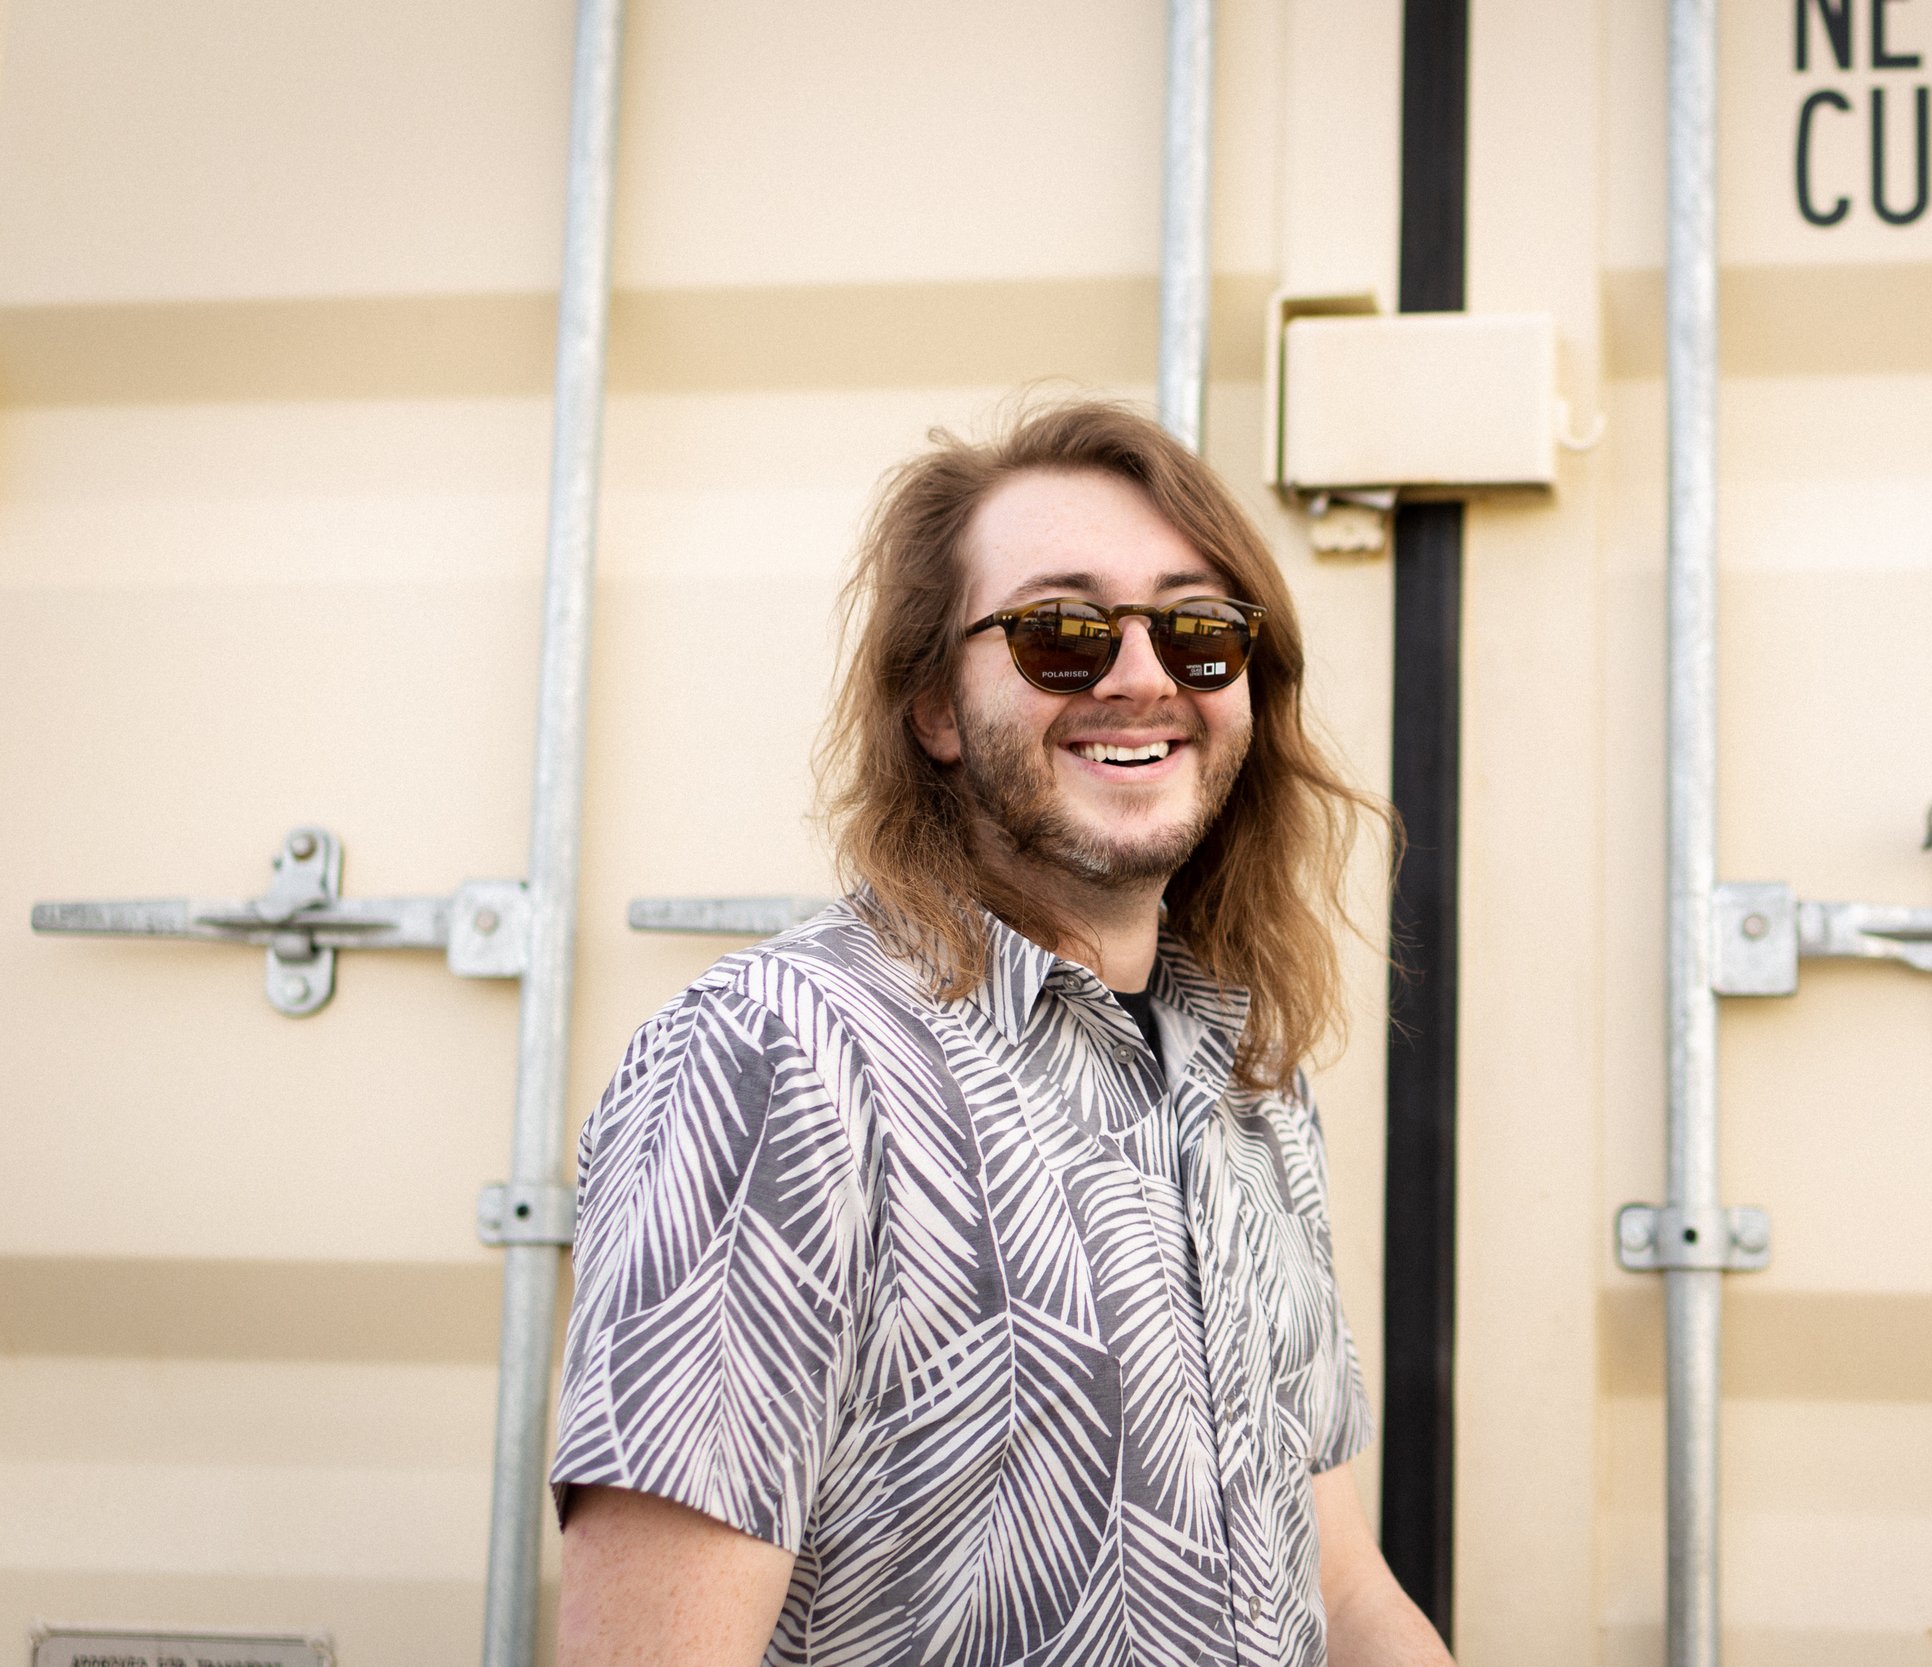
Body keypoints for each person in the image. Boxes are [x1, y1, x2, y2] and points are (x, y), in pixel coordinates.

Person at [548, 400, 1453, 1667]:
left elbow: (1339, 1584)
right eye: (1061, 632)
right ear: (932, 703)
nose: (1141, 675)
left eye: (1197, 629)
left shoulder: (1247, 1072)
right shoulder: (775, 1061)